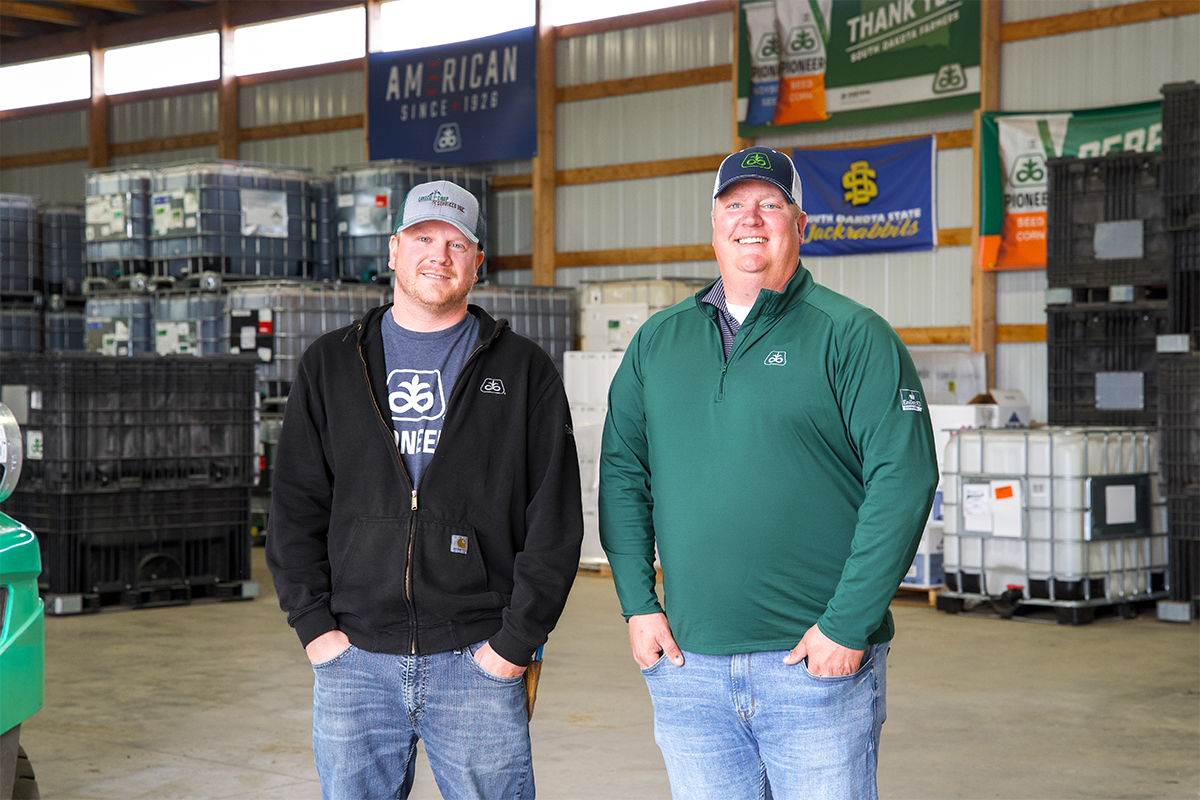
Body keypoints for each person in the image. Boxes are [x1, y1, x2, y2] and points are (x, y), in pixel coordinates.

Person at [598, 146, 939, 800]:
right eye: (734, 205)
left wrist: (848, 624)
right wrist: (638, 604)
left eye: (769, 204)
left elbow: (903, 480)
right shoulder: (658, 342)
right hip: (688, 666)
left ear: (799, 223)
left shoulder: (853, 335)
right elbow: (623, 475)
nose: (749, 218)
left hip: (812, 667)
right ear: (713, 221)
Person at [266, 179, 583, 800]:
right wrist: (316, 630)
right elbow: (296, 502)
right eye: (422, 238)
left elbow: (555, 518)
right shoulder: (331, 363)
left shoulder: (521, 370)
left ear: (477, 262)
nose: (438, 254)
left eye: (456, 243)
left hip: (478, 658)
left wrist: (514, 646)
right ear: (393, 250)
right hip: (354, 658)